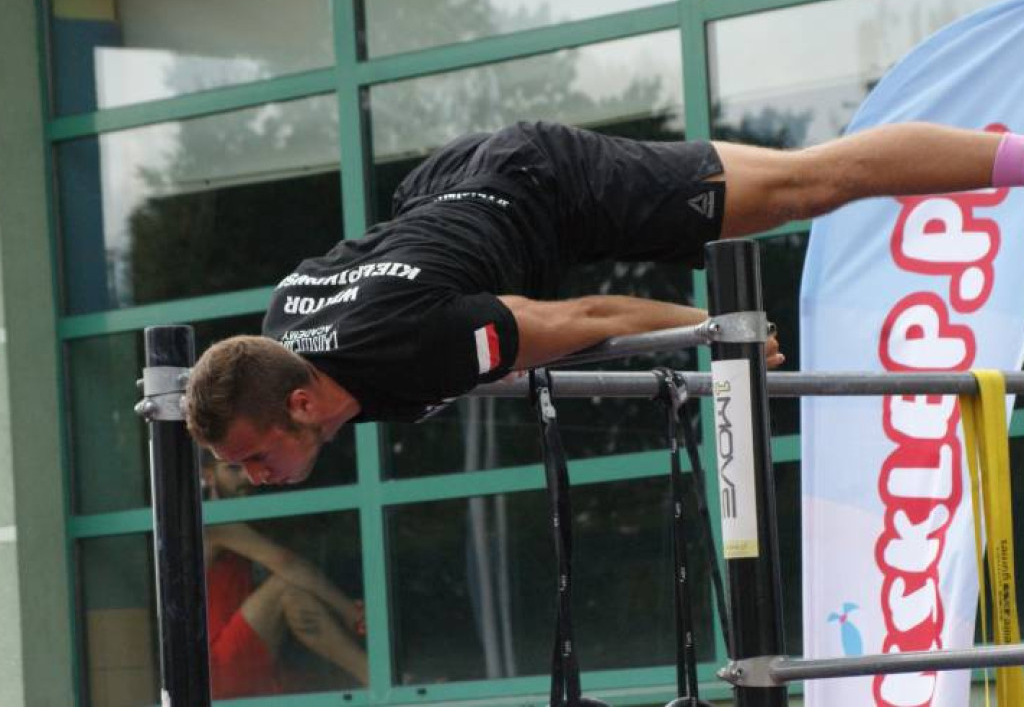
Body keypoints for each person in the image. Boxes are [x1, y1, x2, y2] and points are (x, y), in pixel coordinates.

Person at [184, 121, 1024, 486]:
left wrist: (709, 330)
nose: (258, 478)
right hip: (445, 191)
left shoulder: (410, 345)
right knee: (800, 186)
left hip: (547, 184)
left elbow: (589, 320)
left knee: (807, 183)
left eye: (257, 458)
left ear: (302, 402)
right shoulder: (278, 338)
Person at [202, 454, 368, 697]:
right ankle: (377, 679)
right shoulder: (213, 521)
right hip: (218, 664)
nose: (247, 477)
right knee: (285, 588)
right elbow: (286, 563)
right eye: (233, 469)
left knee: (293, 594)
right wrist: (349, 611)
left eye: (251, 467)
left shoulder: (238, 519)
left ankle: (376, 677)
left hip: (238, 660)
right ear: (209, 475)